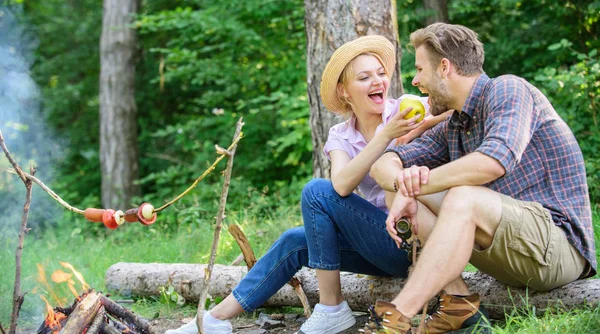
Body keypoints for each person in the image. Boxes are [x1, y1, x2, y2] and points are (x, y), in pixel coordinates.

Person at [165, 35, 449, 334]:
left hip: (412, 242)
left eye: (381, 73)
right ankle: (214, 320)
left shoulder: (407, 109)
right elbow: (341, 185)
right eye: (364, 77)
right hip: (376, 244)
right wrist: (384, 135)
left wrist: (422, 125)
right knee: (294, 240)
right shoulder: (341, 135)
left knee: (316, 191)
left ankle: (331, 307)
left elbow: (454, 103)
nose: (377, 81)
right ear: (345, 91)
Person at [362, 23, 597, 334]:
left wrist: (416, 183)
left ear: (444, 67)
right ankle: (459, 304)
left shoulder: (508, 89)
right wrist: (404, 183)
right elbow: (383, 165)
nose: (416, 81)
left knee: (462, 196)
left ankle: (396, 318)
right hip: (509, 253)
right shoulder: (455, 125)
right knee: (403, 192)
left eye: (420, 69)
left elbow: (493, 162)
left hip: (557, 249)